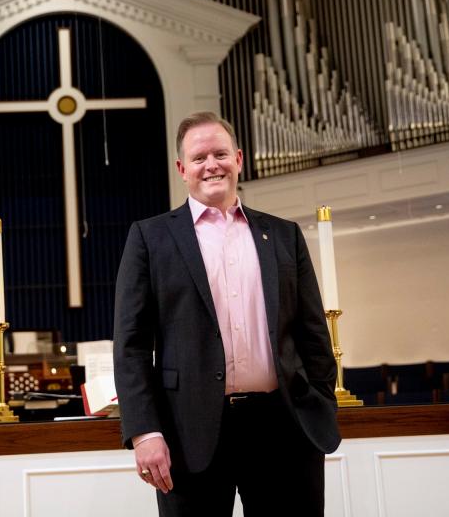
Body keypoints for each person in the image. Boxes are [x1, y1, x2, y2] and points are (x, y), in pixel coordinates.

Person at [113, 111, 341, 516]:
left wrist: (320, 401)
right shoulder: (150, 238)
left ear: (238, 159)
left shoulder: (284, 234)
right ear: (182, 169)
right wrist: (145, 432)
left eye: (220, 154)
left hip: (283, 427)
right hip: (189, 431)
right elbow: (131, 346)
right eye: (199, 158)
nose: (211, 165)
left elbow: (312, 334)